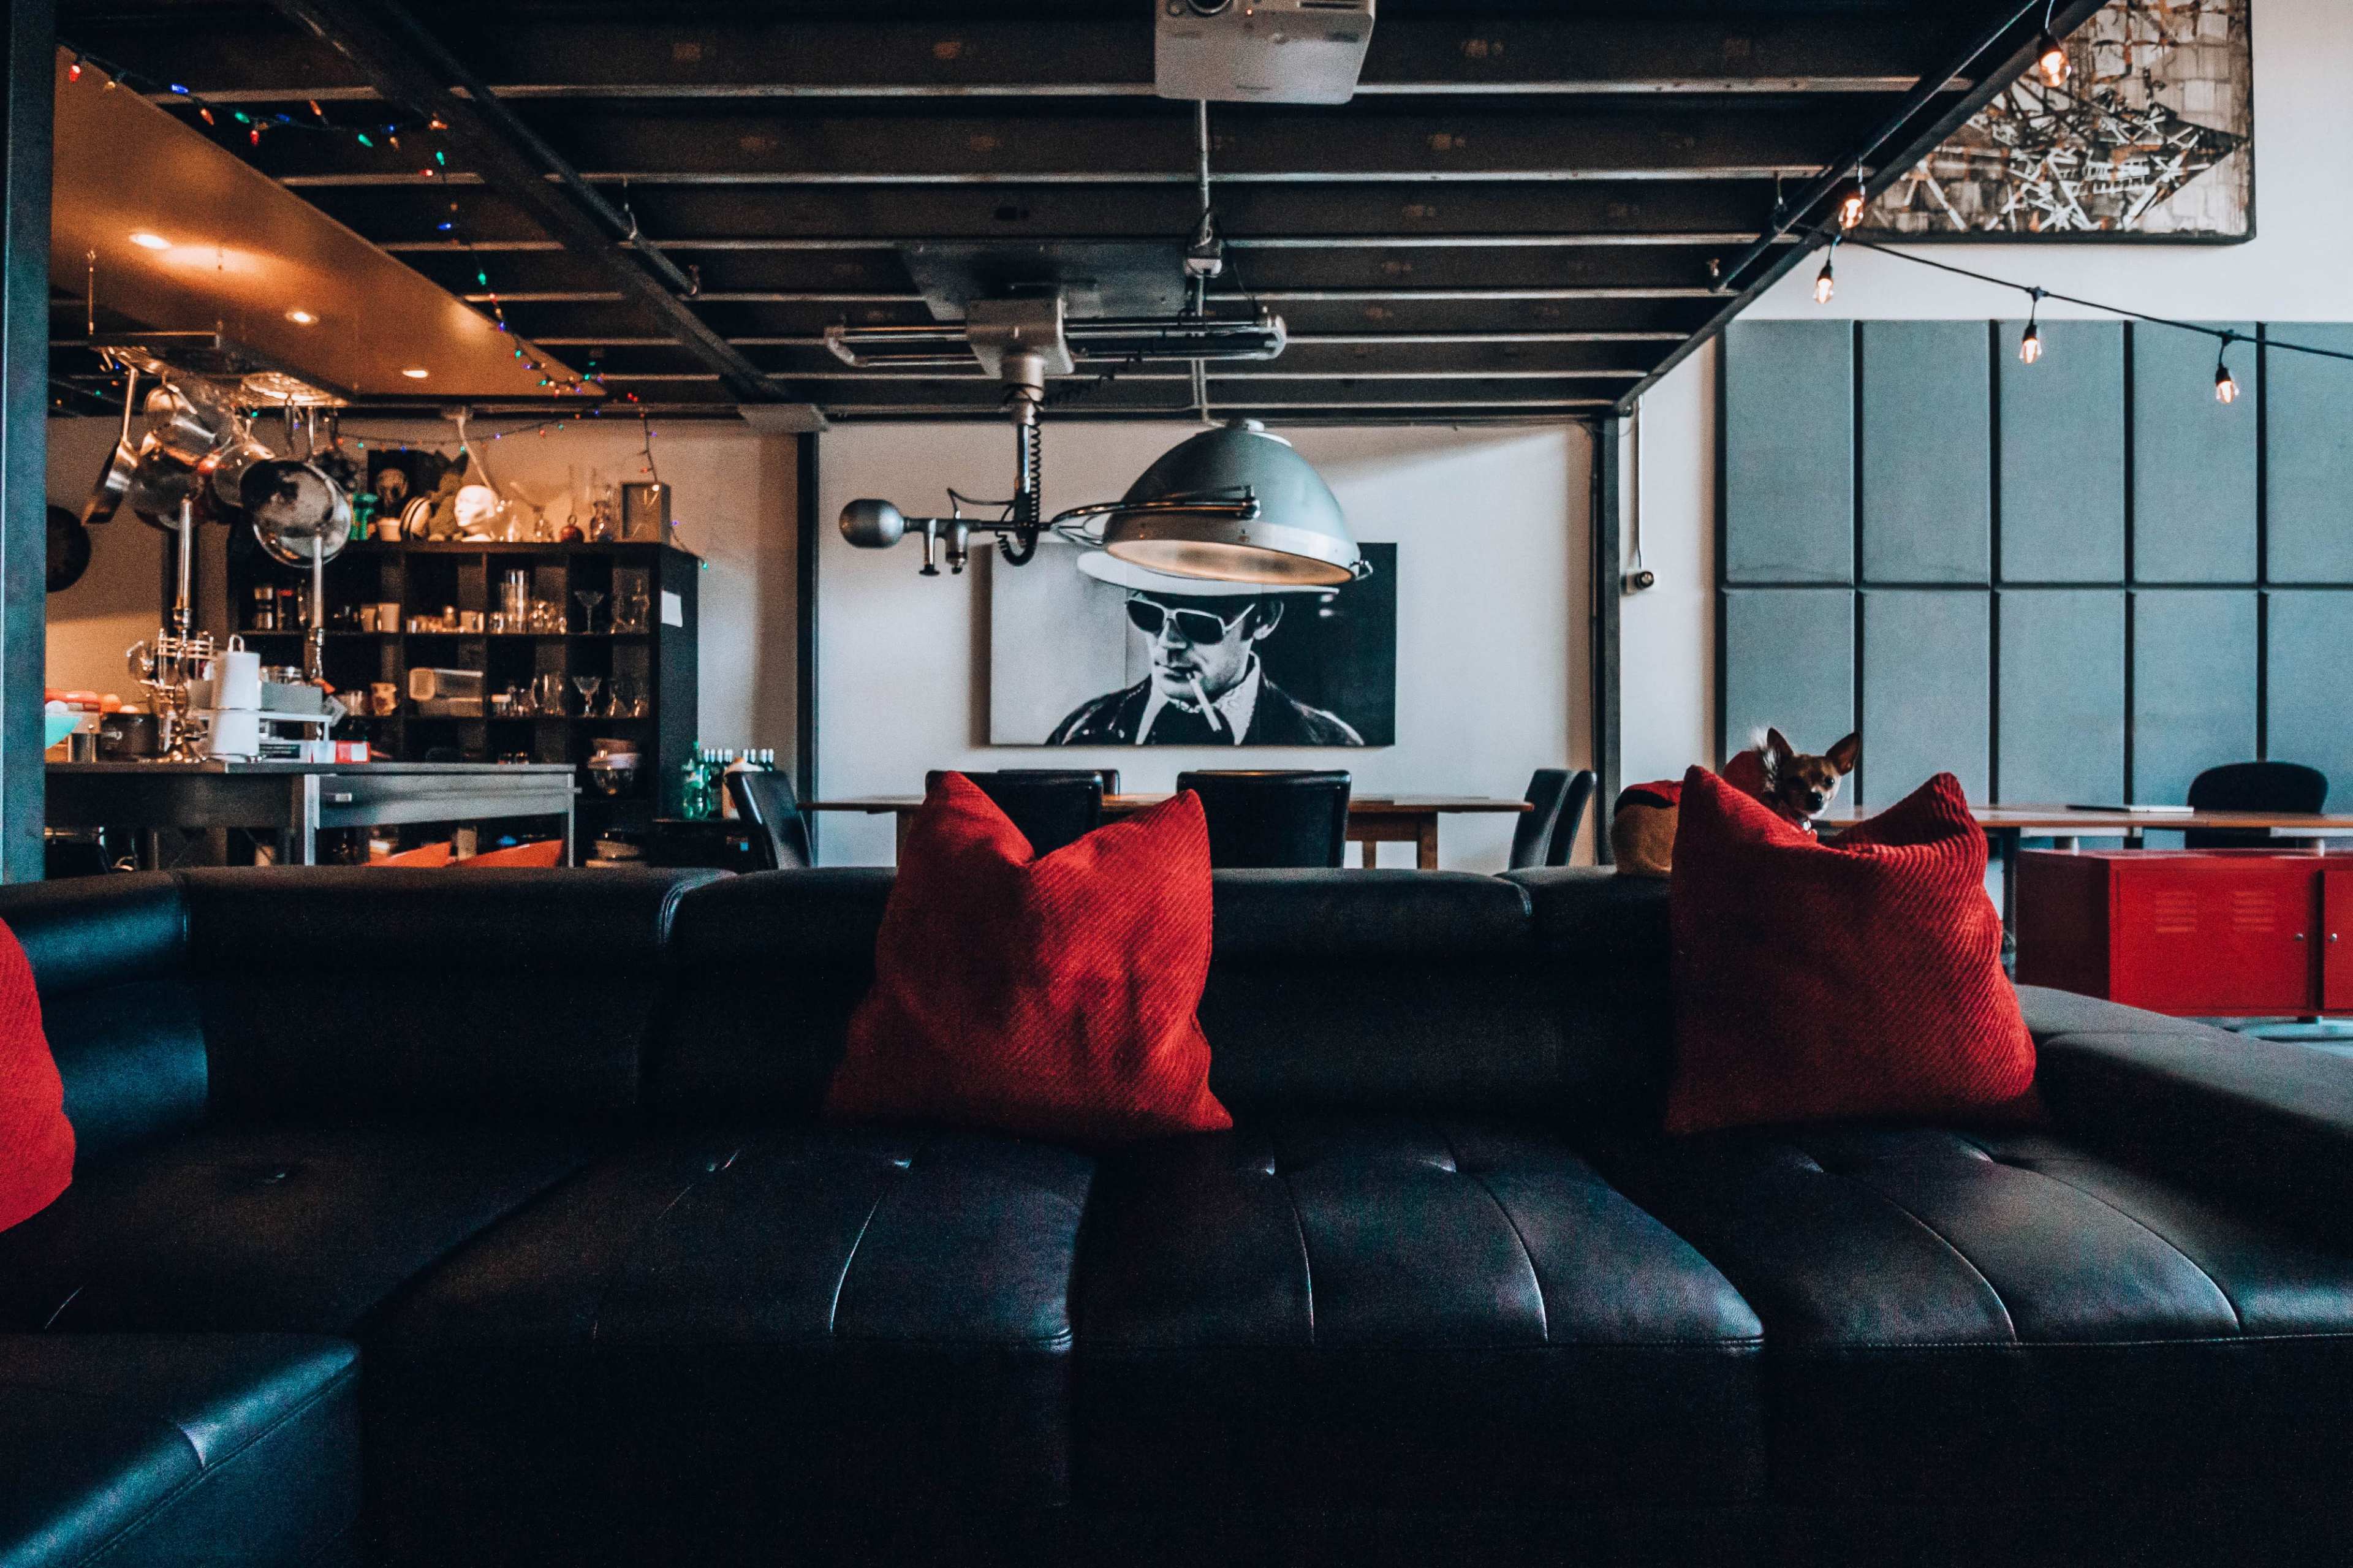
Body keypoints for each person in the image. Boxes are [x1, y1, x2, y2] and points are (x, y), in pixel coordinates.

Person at [1048, 553, 1362, 746]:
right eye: (1150, 616)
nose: (1168, 642)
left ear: (1263, 619)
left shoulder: (1330, 742)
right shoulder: (1081, 729)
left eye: (1199, 624)